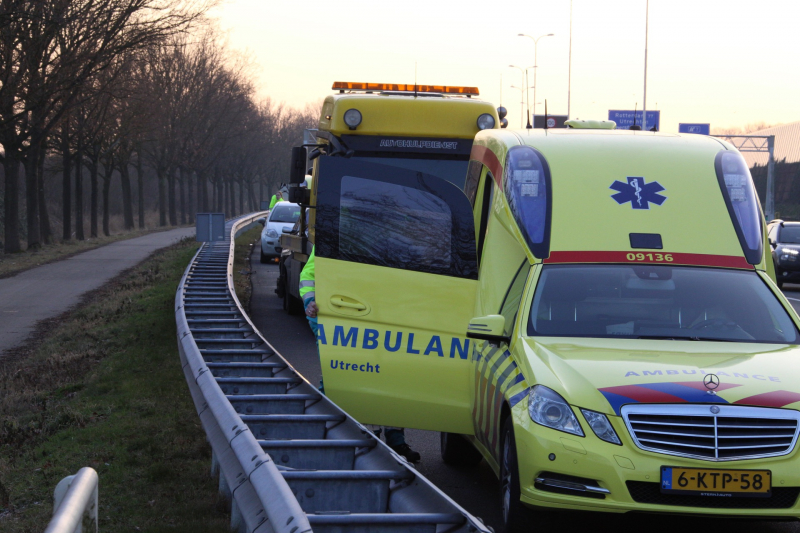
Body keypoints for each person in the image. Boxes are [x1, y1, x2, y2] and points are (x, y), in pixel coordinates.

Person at [299, 247, 421, 463]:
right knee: (338, 373)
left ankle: (391, 438)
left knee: (385, 374)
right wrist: (310, 302)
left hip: (373, 317)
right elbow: (309, 275)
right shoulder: (337, 231)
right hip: (335, 316)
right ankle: (341, 433)